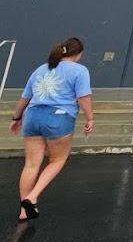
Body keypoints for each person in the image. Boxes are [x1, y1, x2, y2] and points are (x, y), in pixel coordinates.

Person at [9, 37, 93, 221]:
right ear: (78, 54)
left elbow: (25, 97)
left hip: (32, 116)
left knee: (31, 164)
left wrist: (16, 118)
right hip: (59, 117)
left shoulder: (41, 69)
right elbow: (83, 97)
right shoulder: (80, 70)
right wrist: (90, 118)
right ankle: (32, 197)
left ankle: (23, 210)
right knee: (56, 160)